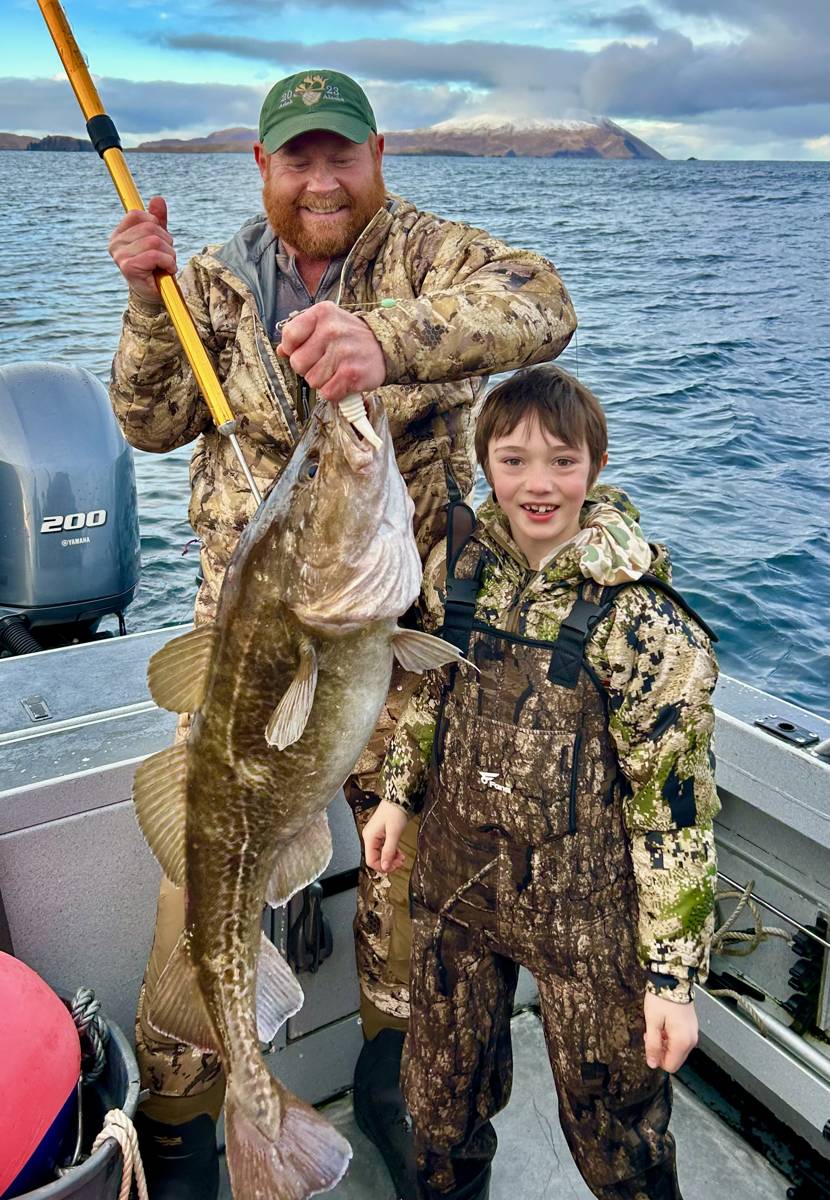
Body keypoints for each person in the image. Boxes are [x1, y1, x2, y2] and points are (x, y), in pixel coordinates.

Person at [107, 70, 577, 1198]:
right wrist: (143, 300)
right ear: (261, 168)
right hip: (242, 655)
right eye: (296, 158)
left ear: (378, 158)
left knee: (404, 872)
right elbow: (149, 420)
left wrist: (382, 337)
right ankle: (182, 1124)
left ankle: (402, 1089)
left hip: (388, 632)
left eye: (341, 156)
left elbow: (542, 302)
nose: (321, 179)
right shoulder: (213, 278)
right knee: (200, 884)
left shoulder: (427, 255)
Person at [364, 363, 720, 1200]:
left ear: (594, 468)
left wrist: (670, 981)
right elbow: (431, 695)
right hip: (457, 895)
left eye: (562, 460)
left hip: (588, 925)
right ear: (486, 463)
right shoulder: (461, 571)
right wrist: (395, 793)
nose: (538, 483)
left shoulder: (642, 621)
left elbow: (675, 813)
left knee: (617, 1138)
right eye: (514, 458)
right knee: (441, 1110)